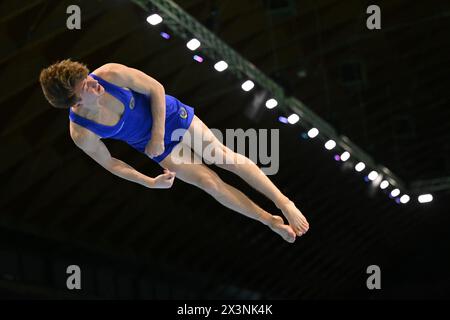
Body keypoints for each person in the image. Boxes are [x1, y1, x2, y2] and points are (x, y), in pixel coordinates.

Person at [39, 59, 309, 243]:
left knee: (220, 156)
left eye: (87, 77)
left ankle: (283, 202)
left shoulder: (110, 74)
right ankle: (269, 221)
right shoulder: (82, 133)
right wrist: (149, 182)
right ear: (72, 102)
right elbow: (110, 163)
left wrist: (157, 133)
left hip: (168, 116)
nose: (92, 82)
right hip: (153, 145)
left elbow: (155, 88)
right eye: (84, 86)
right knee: (209, 184)